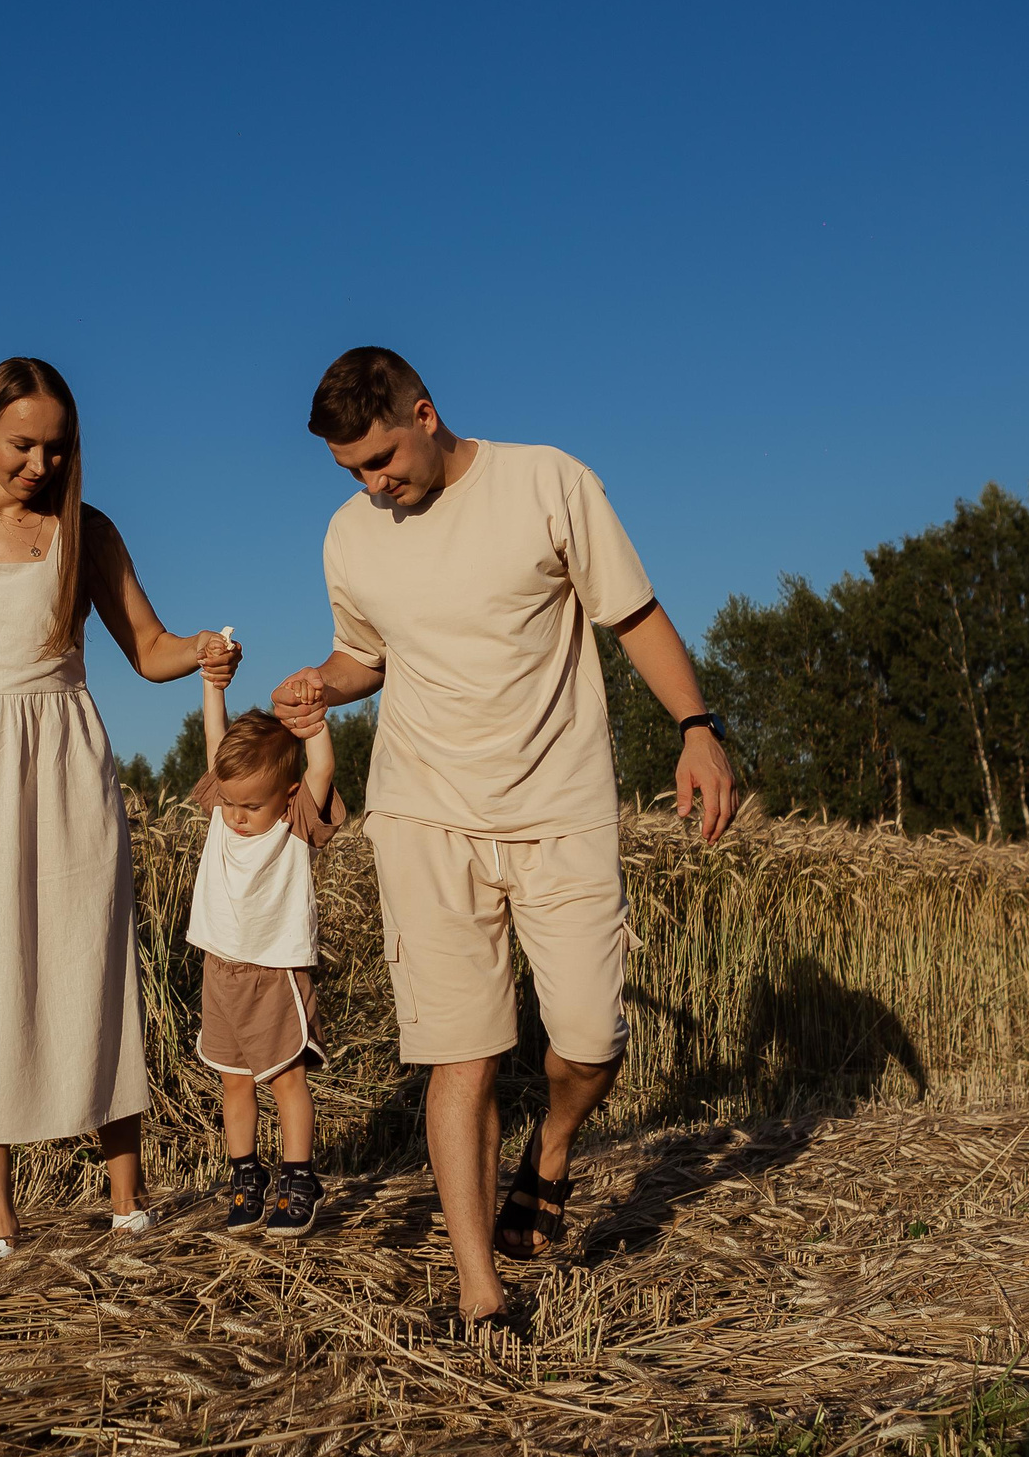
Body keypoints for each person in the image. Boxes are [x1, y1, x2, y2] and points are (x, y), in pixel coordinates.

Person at [272, 346, 738, 1326]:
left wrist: (696, 728)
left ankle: (554, 1145)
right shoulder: (349, 534)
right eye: (352, 472)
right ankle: (480, 1291)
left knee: (590, 1042)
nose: (373, 485)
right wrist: (323, 684)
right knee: (462, 1054)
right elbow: (364, 655)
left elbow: (635, 615)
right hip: (424, 812)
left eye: (380, 460)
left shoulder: (547, 482)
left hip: (559, 808)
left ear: (424, 413)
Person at [0, 357, 240, 1265]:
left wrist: (203, 648)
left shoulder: (86, 531)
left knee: (85, 959)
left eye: (57, 448)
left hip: (61, 764)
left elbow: (148, 646)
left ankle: (126, 1200)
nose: (40, 464)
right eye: (22, 444)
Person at [186, 658, 346, 1238]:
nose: (236, 816)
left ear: (288, 795)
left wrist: (312, 720)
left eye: (251, 806)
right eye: (230, 802)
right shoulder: (224, 810)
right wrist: (213, 687)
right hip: (220, 969)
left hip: (274, 973)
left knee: (286, 1080)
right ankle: (246, 1177)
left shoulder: (296, 821)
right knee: (233, 1079)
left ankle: (299, 1179)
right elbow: (217, 745)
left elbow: (321, 766)